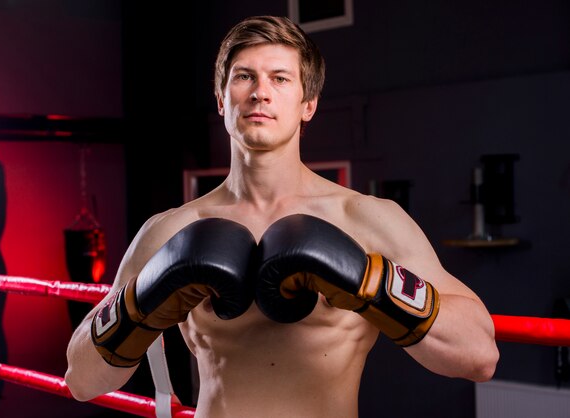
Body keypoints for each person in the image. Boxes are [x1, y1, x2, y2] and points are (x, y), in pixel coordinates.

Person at [65, 15, 499, 417]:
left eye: (280, 78)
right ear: (221, 99)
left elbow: (480, 356)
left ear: (308, 104)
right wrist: (141, 304)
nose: (260, 92)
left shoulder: (367, 220)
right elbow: (82, 380)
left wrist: (370, 281)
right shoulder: (172, 230)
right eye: (244, 77)